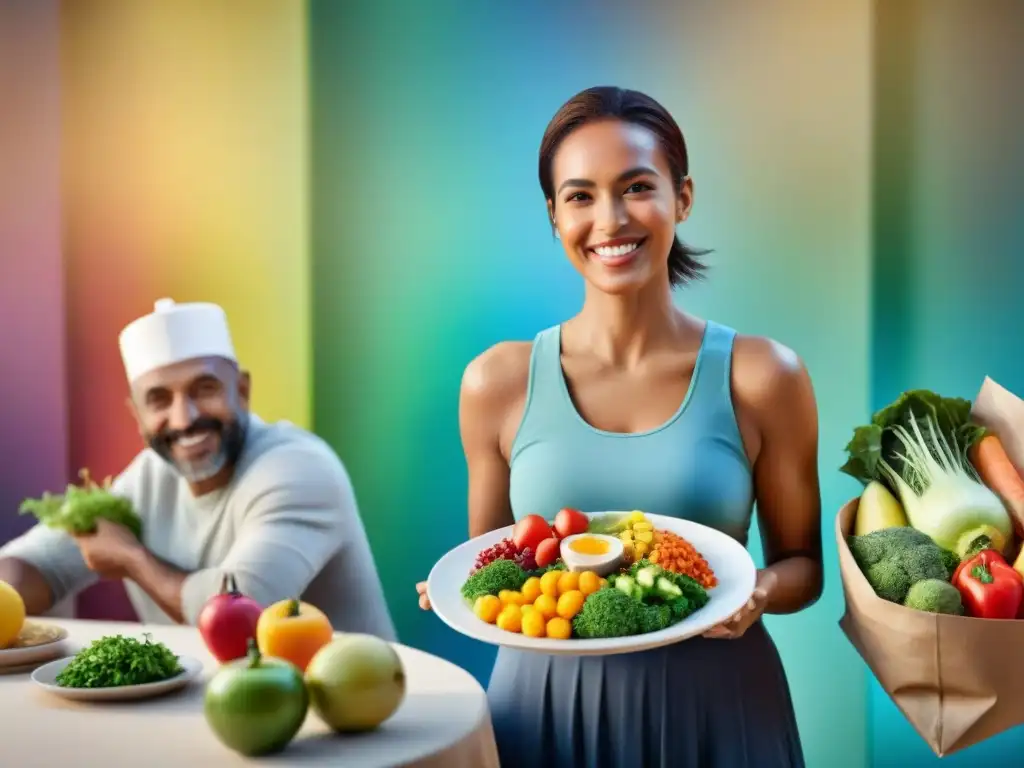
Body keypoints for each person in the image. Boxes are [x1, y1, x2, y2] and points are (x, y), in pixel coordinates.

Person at [416, 86, 822, 767]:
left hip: (718, 708)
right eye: (579, 196)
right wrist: (463, 586)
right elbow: (498, 558)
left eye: (636, 187)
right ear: (553, 215)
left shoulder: (763, 375)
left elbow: (802, 568)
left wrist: (759, 590)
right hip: (542, 713)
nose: (610, 219)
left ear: (681, 198)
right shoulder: (496, 383)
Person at [0, 298, 396, 639]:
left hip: (356, 707)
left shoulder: (300, 468)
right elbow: (34, 566)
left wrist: (132, 559)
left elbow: (242, 613)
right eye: (158, 399)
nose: (183, 418)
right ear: (137, 416)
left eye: (203, 389)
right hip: (219, 711)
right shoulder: (149, 476)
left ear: (241, 391)